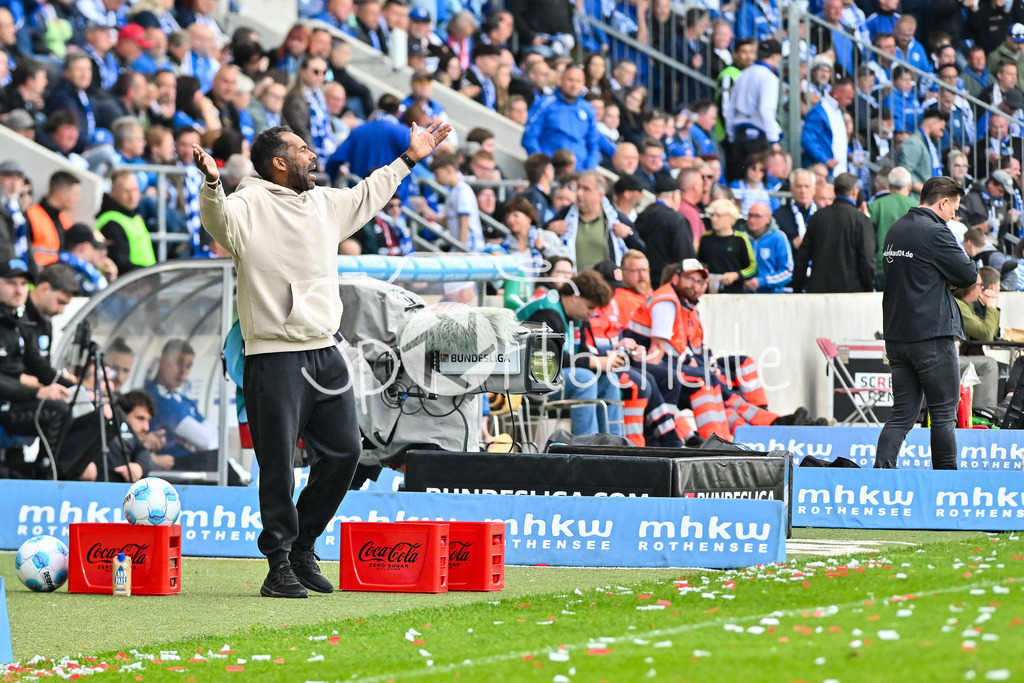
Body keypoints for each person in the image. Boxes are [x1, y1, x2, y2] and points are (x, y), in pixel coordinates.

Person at [195, 121, 451, 598]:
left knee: (346, 453)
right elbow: (218, 223)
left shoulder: (323, 203)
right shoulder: (246, 204)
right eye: (302, 150)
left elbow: (367, 194)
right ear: (279, 162)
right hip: (274, 356)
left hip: (325, 348)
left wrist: (410, 158)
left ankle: (301, 547)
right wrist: (212, 184)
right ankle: (277, 566)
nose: (312, 156)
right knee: (278, 467)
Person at [875, 177, 979, 470]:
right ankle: (946, 485)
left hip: (897, 337)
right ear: (943, 202)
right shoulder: (936, 232)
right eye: (953, 209)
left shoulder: (895, 229)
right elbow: (968, 275)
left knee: (902, 414)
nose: (953, 216)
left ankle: (880, 475)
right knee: (944, 415)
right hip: (932, 336)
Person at [0, 258, 73, 472]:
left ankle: (55, 472)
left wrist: (78, 391)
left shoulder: (19, 321)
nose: (19, 290)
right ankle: (43, 474)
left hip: (16, 398)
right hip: (7, 403)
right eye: (12, 283)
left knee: (82, 411)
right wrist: (38, 392)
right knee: (59, 412)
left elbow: (40, 367)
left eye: (24, 285)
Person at [793, 173, 876, 293]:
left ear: (835, 191)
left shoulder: (817, 217)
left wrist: (797, 289)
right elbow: (867, 259)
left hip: (818, 290)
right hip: (851, 291)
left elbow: (802, 257)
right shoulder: (861, 220)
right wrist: (868, 287)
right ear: (854, 191)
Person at [546, 170, 644, 271]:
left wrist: (629, 235)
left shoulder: (616, 218)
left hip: (605, 283)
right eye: (578, 187)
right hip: (572, 282)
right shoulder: (566, 213)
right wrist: (550, 229)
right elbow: (541, 234)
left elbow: (640, 249)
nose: (579, 193)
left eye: (586, 189)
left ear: (600, 195)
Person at [521, 65, 600, 172]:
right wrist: (543, 165)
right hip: (549, 171)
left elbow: (594, 144)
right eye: (570, 80)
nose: (574, 85)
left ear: (583, 84)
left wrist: (589, 169)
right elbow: (530, 136)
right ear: (561, 80)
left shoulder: (588, 109)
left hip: (578, 173)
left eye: (578, 81)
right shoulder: (545, 103)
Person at [725, 38, 782, 181]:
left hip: (739, 131)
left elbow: (730, 108)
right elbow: (765, 109)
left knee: (741, 176)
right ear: (776, 57)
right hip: (758, 133)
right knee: (758, 178)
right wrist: (774, 140)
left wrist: (731, 135)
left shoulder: (743, 73)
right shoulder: (769, 77)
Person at [954, 269, 1002, 419]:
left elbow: (991, 335)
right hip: (946, 359)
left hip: (951, 356)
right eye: (980, 285)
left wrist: (991, 307)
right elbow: (986, 333)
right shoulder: (959, 305)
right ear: (970, 287)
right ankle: (983, 416)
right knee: (989, 365)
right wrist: (991, 306)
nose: (982, 288)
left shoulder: (967, 305)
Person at [633, 175, 696, 283]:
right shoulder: (677, 220)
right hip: (668, 283)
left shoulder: (641, 216)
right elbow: (686, 257)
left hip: (643, 280)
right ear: (675, 195)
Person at [97, 170, 155, 275]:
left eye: (135, 190)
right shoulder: (111, 223)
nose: (132, 196)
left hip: (143, 282)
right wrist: (149, 272)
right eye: (126, 192)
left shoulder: (133, 217)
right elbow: (120, 263)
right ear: (113, 192)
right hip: (130, 285)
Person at [868, 166, 917, 290]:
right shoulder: (917, 206)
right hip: (911, 267)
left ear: (889, 186)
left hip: (882, 266)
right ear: (910, 186)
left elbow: (868, 235)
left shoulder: (875, 205)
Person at [23, 263, 78, 366]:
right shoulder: (16, 317)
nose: (61, 311)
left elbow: (45, 367)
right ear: (44, 289)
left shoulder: (46, 323)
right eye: (60, 302)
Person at [698, 198, 756, 294]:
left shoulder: (740, 239)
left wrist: (736, 275)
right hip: (709, 292)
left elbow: (752, 268)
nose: (713, 219)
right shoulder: (705, 238)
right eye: (712, 215)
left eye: (718, 215)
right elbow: (700, 263)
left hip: (733, 294)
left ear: (731, 218)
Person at [25, 170, 80, 268]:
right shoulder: (31, 215)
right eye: (75, 194)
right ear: (61, 194)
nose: (77, 198)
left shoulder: (65, 221)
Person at [801, 78, 854, 175]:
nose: (850, 102)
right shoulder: (819, 111)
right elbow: (807, 140)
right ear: (836, 93)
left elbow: (838, 139)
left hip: (840, 171)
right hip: (825, 173)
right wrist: (825, 160)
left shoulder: (838, 111)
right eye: (848, 97)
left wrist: (849, 153)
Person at [894, 108, 949, 196]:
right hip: (915, 200)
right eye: (941, 129)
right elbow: (902, 173)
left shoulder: (925, 145)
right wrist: (929, 192)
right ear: (932, 123)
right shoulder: (914, 143)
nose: (941, 134)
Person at [741, 201, 792, 293]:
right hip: (744, 295)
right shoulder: (741, 237)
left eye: (757, 216)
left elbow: (788, 271)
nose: (752, 220)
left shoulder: (778, 237)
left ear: (768, 219)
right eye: (750, 216)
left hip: (772, 295)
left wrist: (762, 281)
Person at [773, 168, 817, 250]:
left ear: (814, 189)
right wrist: (791, 244)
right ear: (791, 188)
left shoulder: (822, 214)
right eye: (798, 186)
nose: (803, 191)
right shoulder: (779, 215)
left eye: (807, 186)